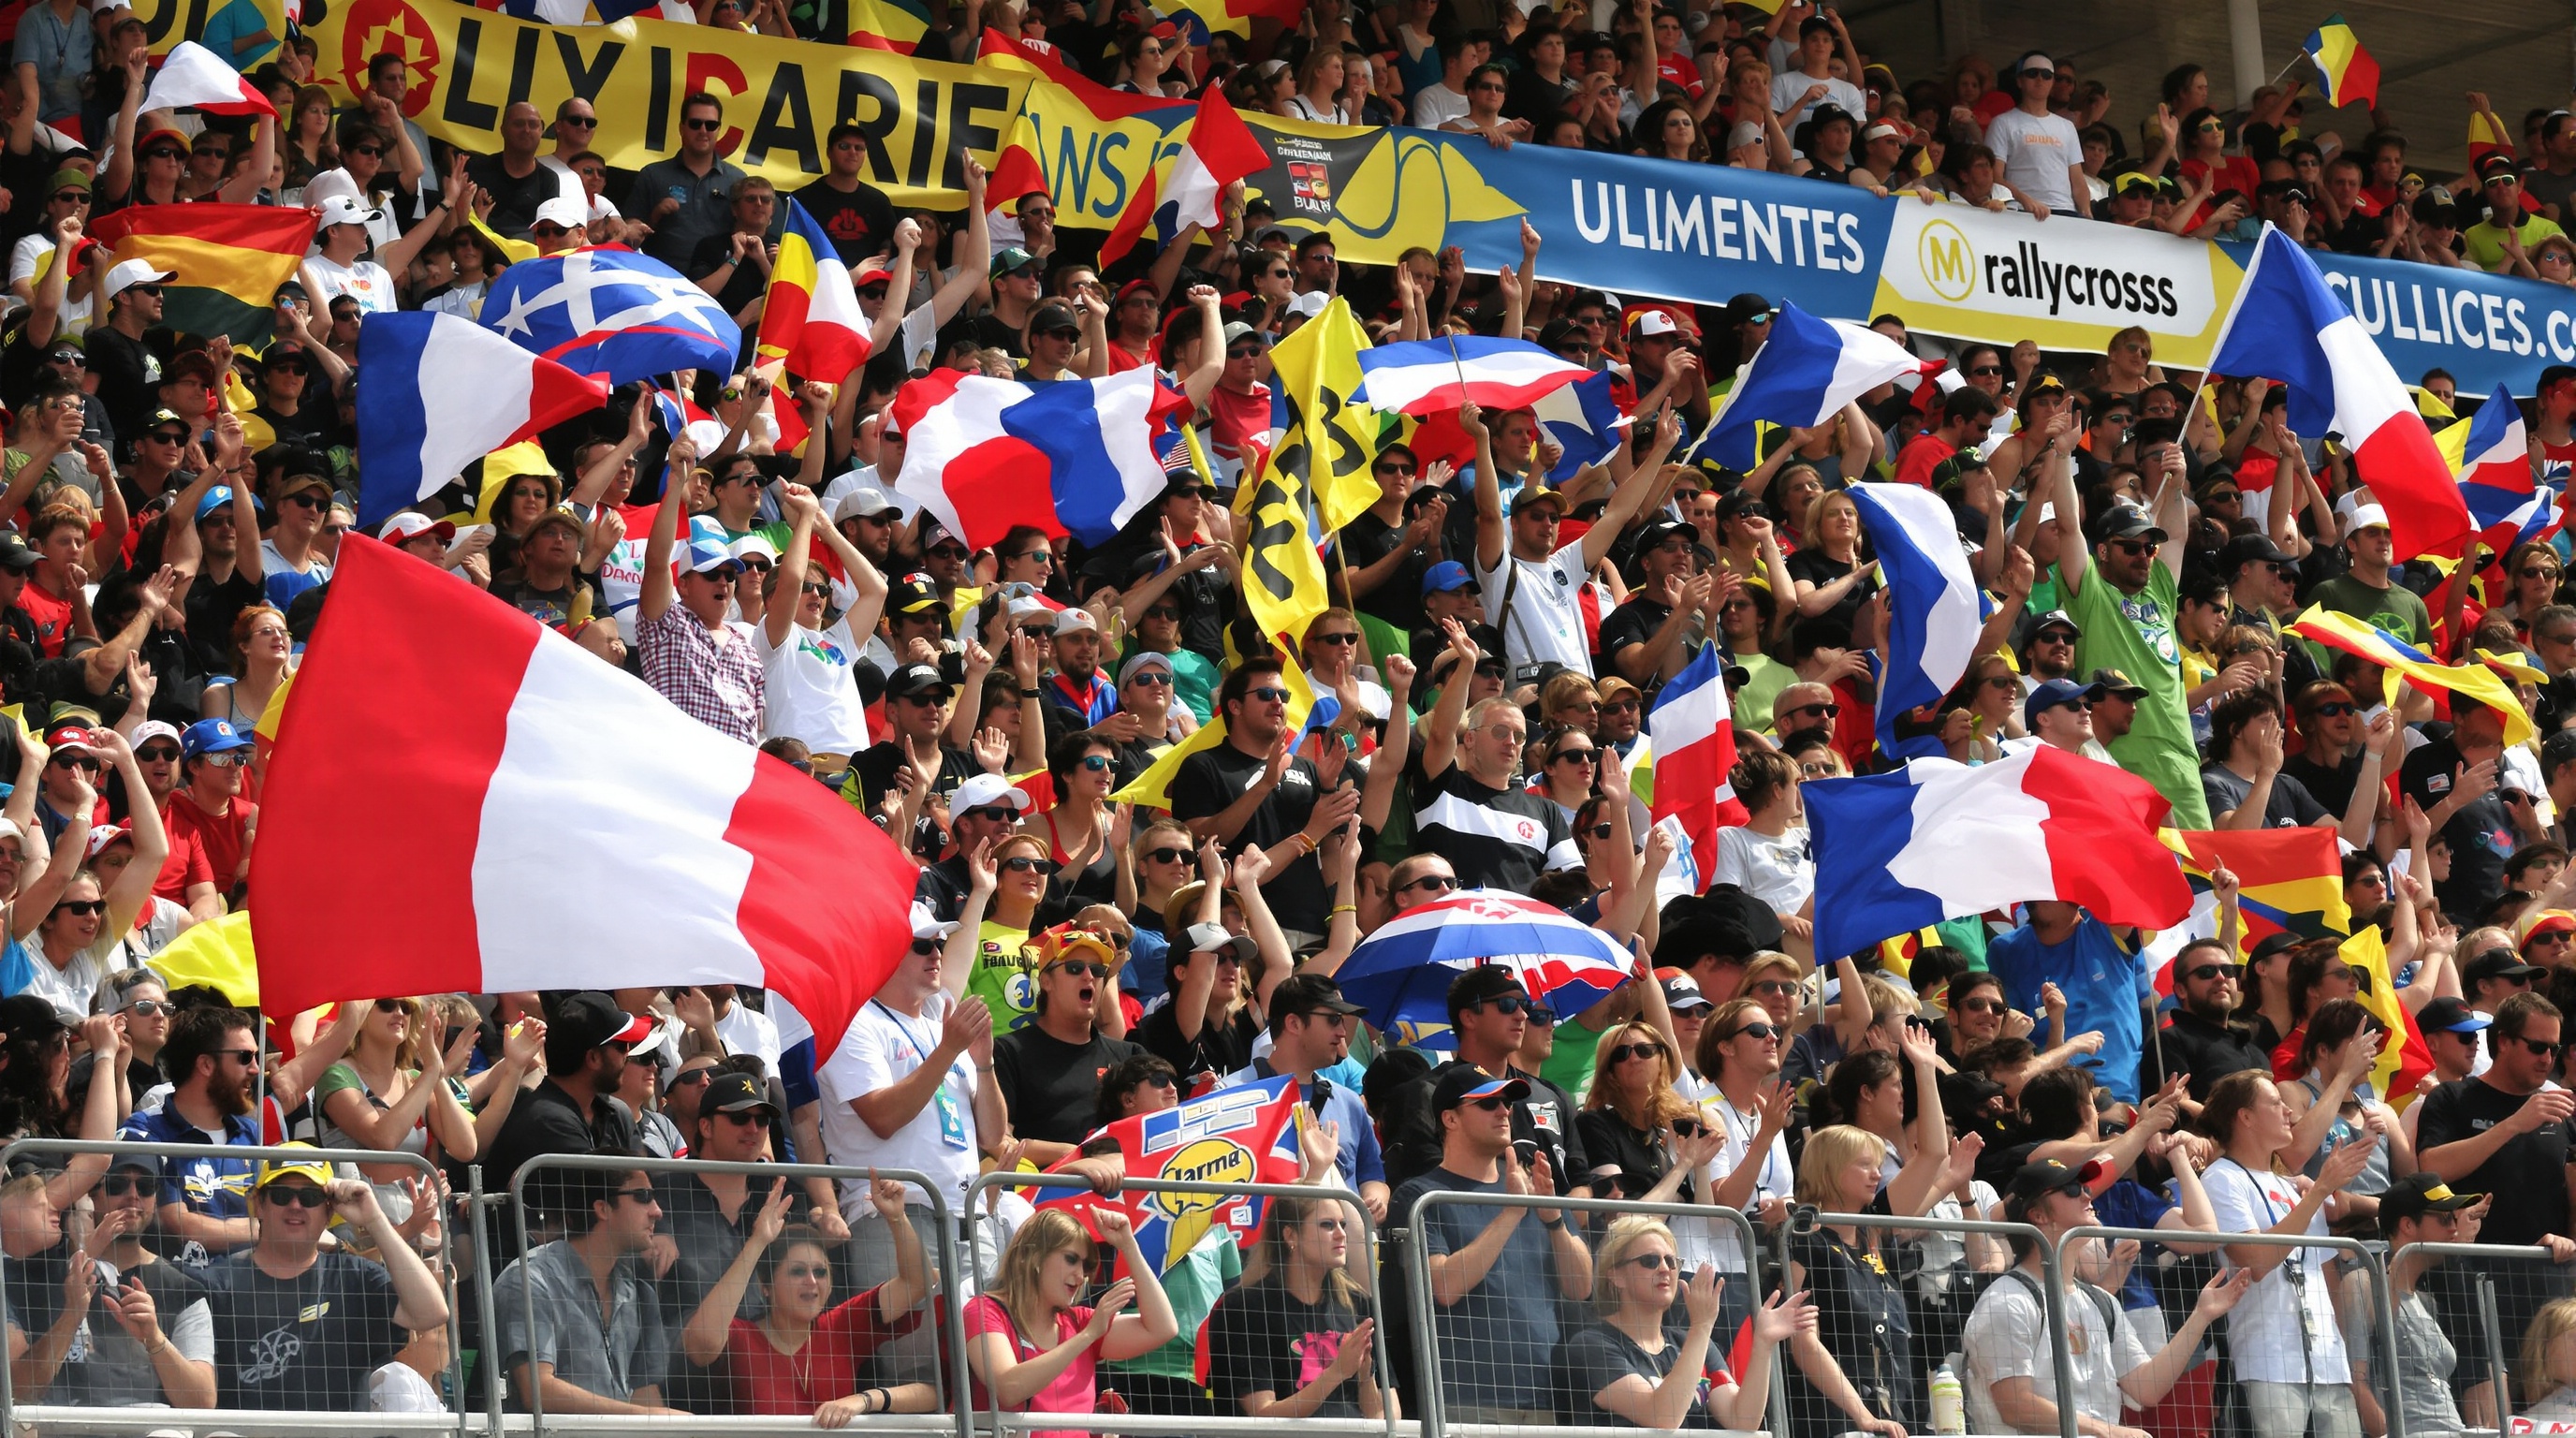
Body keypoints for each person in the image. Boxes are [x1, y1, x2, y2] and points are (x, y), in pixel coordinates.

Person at [1963, 1158, 2253, 1436]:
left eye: (2086, 1188)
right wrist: (2105, 1430)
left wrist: (2201, 1316)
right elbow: (2016, 1407)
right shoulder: (2006, 1301)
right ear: (2037, 1215)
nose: (2088, 1197)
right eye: (2073, 1189)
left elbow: (2146, 1388)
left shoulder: (2100, 1302)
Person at [1391, 1067, 1594, 1423]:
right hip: (1466, 1402)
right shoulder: (1420, 1195)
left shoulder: (1533, 1188)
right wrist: (1513, 1212)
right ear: (1450, 1119)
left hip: (1546, 1398)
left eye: (1506, 1102)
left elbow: (1581, 1286)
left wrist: (1553, 1219)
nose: (1504, 1111)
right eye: (1488, 1103)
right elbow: (1443, 1287)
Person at [2198, 1070, 2379, 1438]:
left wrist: (2343, 1357)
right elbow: (2258, 1262)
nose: (2290, 1113)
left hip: (2328, 1364)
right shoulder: (2221, 1178)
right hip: (2266, 1363)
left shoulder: (2294, 1187)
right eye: (2275, 1104)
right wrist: (2320, 1190)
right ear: (2245, 1117)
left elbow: (2326, 1275)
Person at [203, 1146, 449, 1411]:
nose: (295, 1206)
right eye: (282, 1195)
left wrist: (375, 1219)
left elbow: (431, 1313)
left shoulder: (354, 1276)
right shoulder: (217, 1283)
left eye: (310, 1197)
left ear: (329, 1212)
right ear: (258, 1204)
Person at [680, 1174, 937, 1422]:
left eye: (820, 1272)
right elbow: (701, 1343)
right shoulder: (740, 1336)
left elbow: (916, 1283)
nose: (812, 1282)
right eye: (797, 1271)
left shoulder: (842, 1326)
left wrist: (896, 1217)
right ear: (765, 1286)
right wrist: (758, 1242)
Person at [1555, 1214, 1811, 1429]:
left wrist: (1763, 1345)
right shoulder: (1591, 1345)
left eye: (1671, 1261)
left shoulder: (1693, 1343)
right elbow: (1662, 1416)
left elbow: (1741, 1419)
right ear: (1616, 1276)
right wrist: (1701, 1326)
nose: (1665, 1269)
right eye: (1650, 1261)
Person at [492, 1163, 686, 1416]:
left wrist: (662, 1423)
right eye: (643, 1197)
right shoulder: (529, 1280)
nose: (657, 1212)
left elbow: (644, 1394)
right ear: (602, 1208)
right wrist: (646, 1417)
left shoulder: (638, 1292)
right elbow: (537, 1390)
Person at [965, 1206, 1178, 1430]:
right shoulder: (985, 1310)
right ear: (1034, 1256)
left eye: (1085, 1266)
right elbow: (1009, 1388)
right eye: (1071, 1259)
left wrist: (1128, 1245)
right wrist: (1088, 1335)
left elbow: (1163, 1328)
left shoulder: (1080, 1321)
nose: (1080, 1276)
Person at [1204, 1191, 1391, 1419]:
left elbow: (1386, 1415)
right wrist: (1337, 1372)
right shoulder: (1245, 1306)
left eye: (1342, 1224)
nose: (1341, 1234)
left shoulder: (1357, 1302)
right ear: (1290, 1235)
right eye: (1327, 1225)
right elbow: (1263, 1413)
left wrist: (1365, 1375)